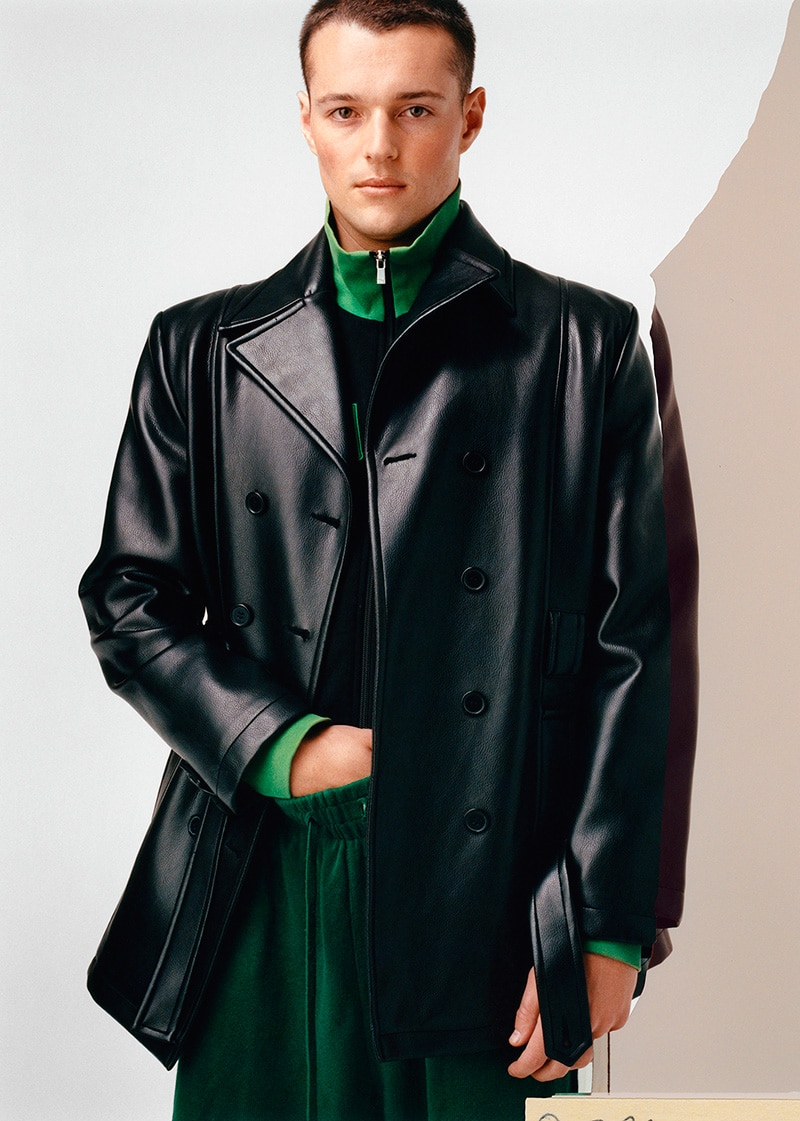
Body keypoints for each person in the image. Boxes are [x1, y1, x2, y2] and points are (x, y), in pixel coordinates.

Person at [79, 1, 698, 1118]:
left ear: (469, 117)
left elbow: (637, 649)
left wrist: (608, 922)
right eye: (346, 110)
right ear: (304, 119)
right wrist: (281, 746)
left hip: (489, 880)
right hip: (258, 857)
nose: (378, 146)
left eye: (414, 110)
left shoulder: (584, 345)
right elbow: (130, 599)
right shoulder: (199, 348)